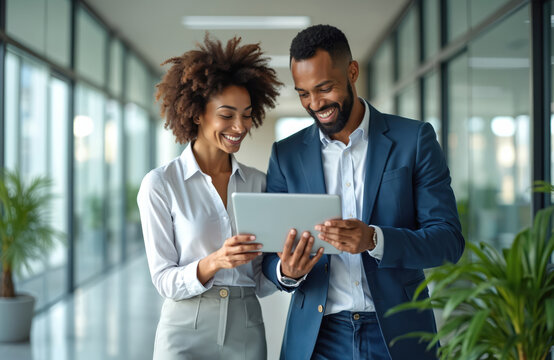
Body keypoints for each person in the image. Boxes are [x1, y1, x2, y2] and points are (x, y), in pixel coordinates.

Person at [262, 25, 465, 360]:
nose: (315, 104)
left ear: (352, 71)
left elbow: (448, 242)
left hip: (398, 334)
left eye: (324, 88)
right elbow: (270, 258)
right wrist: (287, 272)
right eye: (303, 93)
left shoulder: (413, 140)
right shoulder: (286, 155)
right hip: (317, 339)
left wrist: (375, 239)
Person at [137, 35, 282, 360]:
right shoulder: (161, 184)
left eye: (246, 115)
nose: (240, 126)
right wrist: (215, 260)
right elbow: (163, 280)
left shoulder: (258, 183)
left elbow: (260, 281)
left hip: (246, 326)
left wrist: (288, 271)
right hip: (184, 330)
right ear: (197, 113)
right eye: (227, 115)